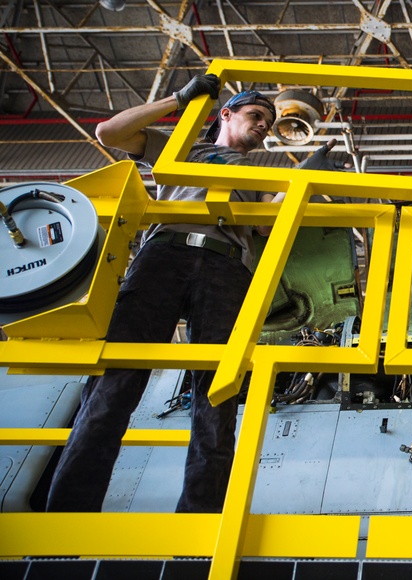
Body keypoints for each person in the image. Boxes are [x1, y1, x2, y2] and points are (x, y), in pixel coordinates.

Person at [46, 74, 284, 513]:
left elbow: (268, 224)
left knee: (217, 393)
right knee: (114, 386)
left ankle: (197, 526)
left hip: (226, 265)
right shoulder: (182, 147)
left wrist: (302, 182)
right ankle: (65, 516)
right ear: (226, 114)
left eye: (269, 122)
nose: (263, 125)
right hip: (163, 255)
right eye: (256, 115)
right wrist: (178, 99)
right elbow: (109, 133)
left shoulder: (265, 167)